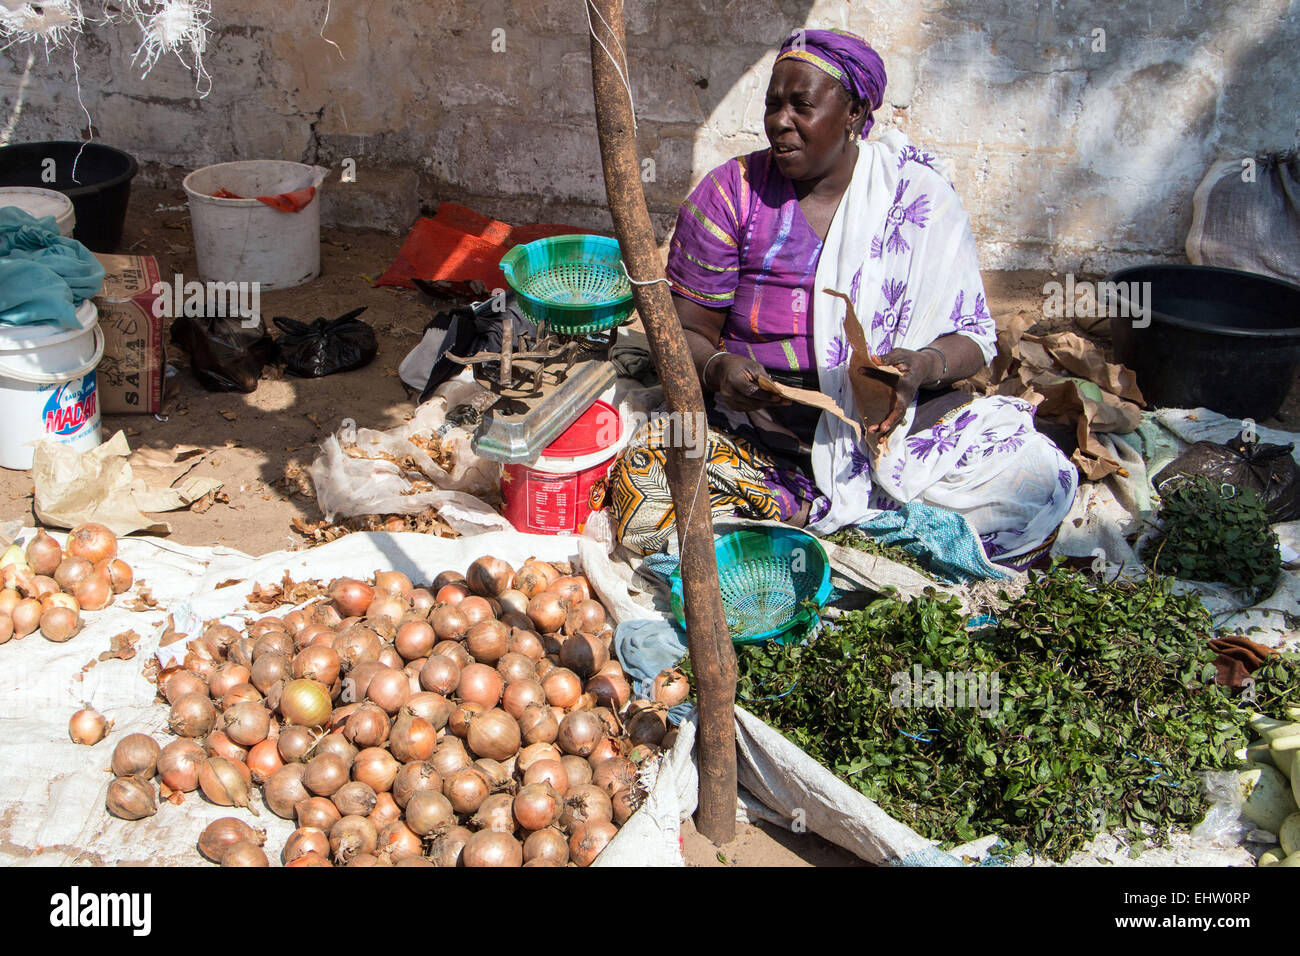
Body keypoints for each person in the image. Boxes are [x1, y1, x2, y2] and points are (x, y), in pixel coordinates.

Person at [608, 28, 1076, 568]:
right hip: (760, 433)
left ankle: (817, 517)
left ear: (854, 113)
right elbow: (681, 333)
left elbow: (973, 339)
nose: (780, 121)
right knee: (647, 496)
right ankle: (830, 512)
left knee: (1035, 480)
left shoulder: (914, 196)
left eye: (801, 105)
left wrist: (921, 367)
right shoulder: (730, 194)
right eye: (772, 104)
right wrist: (717, 368)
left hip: (894, 428)